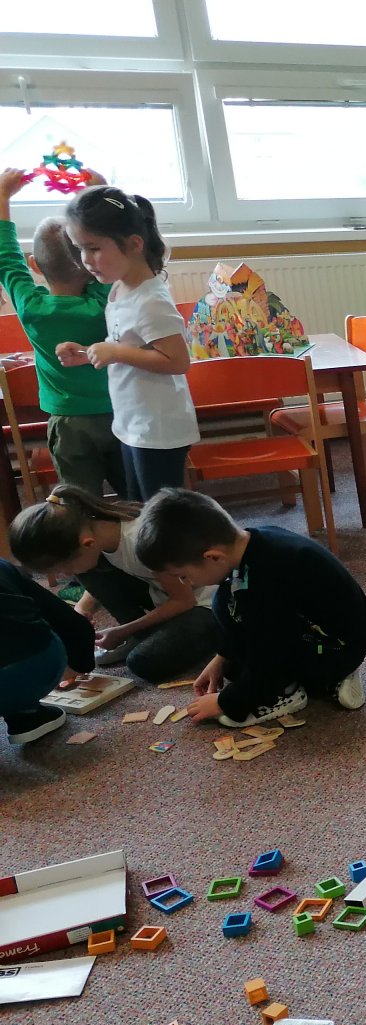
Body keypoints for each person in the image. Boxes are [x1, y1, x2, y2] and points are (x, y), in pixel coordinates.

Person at [133, 488, 366, 727]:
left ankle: (293, 690)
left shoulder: (269, 578)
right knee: (226, 623)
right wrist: (222, 656)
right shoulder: (252, 543)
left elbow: (272, 654)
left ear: (213, 557)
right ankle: (320, 679)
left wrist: (226, 702)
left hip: (338, 647)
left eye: (183, 576)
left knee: (255, 666)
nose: (185, 583)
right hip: (312, 629)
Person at [55, 185, 197, 500]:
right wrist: (90, 353)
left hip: (158, 429)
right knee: (138, 506)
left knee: (160, 512)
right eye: (80, 248)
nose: (85, 260)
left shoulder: (151, 300)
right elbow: (127, 342)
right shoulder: (120, 289)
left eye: (94, 248)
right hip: (133, 421)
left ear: (134, 244)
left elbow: (177, 361)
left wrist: (117, 352)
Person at [8, 485, 219, 683]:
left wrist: (122, 631)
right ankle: (144, 634)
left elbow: (183, 601)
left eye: (64, 568)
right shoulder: (99, 528)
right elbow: (102, 582)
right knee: (89, 571)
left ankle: (219, 636)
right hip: (169, 592)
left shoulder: (142, 541)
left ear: (87, 544)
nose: (65, 575)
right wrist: (82, 608)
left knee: (144, 662)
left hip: (208, 602)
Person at [0, 166, 124, 496]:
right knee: (135, 495)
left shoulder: (32, 309)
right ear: (90, 262)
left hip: (69, 424)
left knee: (80, 502)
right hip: (119, 412)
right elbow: (108, 242)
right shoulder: (106, 300)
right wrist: (98, 192)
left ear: (35, 265)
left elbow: (7, 260)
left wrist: (2, 197)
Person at [0, 556, 94, 746]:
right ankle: (26, 714)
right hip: (33, 662)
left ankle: (25, 714)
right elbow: (73, 625)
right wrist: (78, 664)